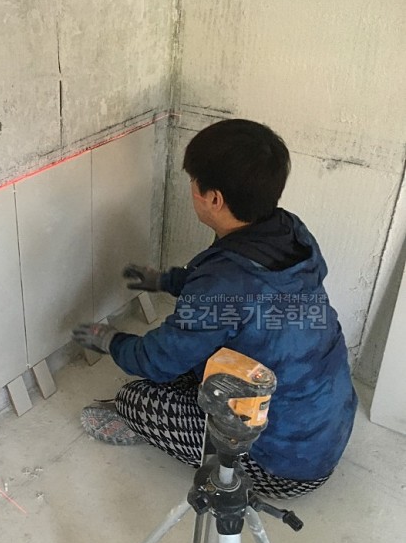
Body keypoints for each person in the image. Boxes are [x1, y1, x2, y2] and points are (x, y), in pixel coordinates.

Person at [72, 119, 358, 499]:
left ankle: (149, 423)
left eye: (194, 182)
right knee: (194, 367)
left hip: (280, 463)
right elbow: (230, 293)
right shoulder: (289, 231)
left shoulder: (224, 283)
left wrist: (110, 340)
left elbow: (158, 359)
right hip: (326, 426)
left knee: (135, 399)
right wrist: (166, 281)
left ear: (215, 199)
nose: (190, 188)